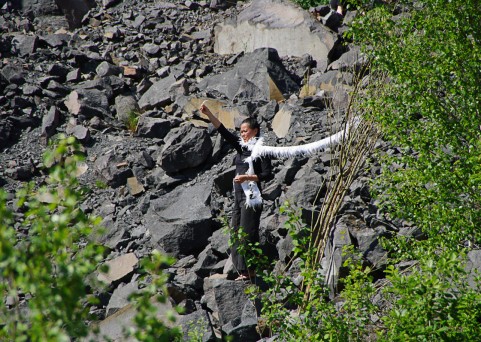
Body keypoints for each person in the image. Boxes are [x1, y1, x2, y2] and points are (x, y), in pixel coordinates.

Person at [200, 102, 272, 281]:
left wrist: (247, 178)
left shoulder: (261, 150)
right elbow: (223, 131)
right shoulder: (241, 148)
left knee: (247, 232)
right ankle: (241, 270)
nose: (242, 134)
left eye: (245, 131)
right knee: (236, 233)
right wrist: (208, 113)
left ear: (255, 131)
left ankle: (249, 271)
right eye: (241, 131)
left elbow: (267, 174)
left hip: (252, 197)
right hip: (238, 196)